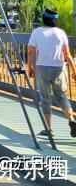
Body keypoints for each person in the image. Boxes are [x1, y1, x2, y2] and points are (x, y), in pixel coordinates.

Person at [27, 8, 76, 137]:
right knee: (61, 97)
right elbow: (67, 54)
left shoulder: (37, 32)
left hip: (42, 68)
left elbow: (31, 51)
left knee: (45, 99)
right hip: (58, 68)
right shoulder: (60, 33)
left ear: (43, 18)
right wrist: (74, 70)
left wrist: (30, 68)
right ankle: (71, 119)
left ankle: (48, 129)